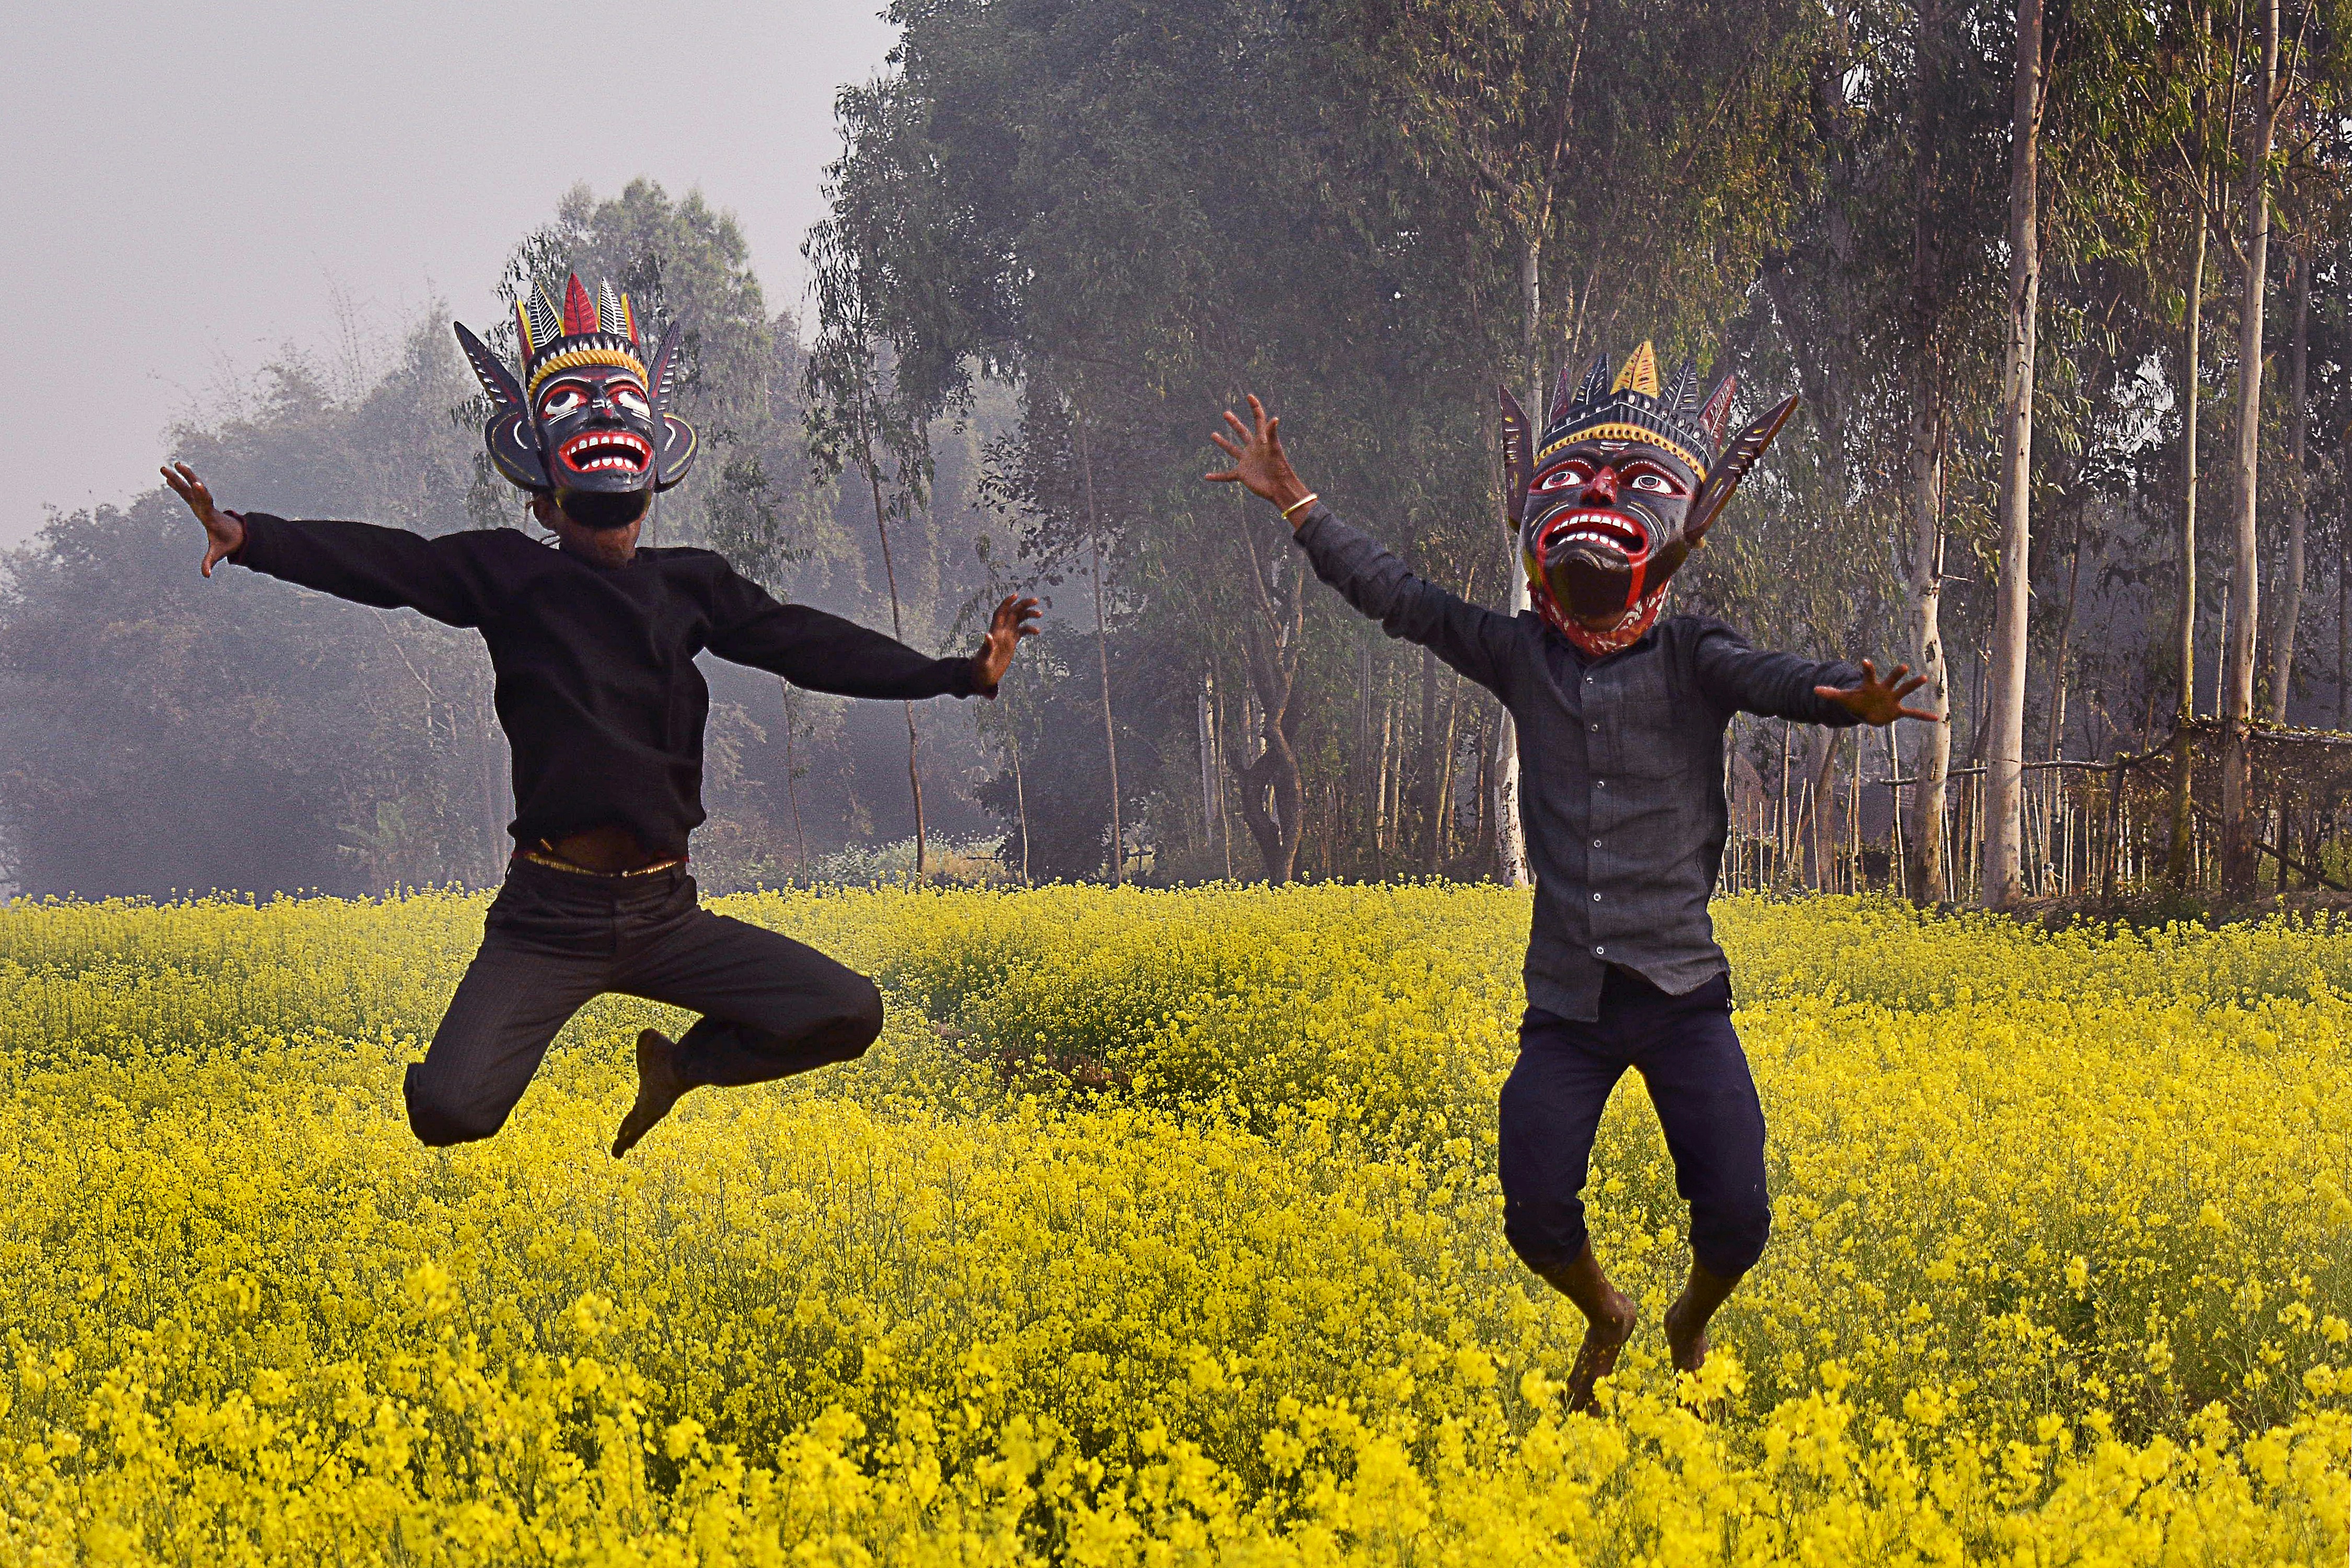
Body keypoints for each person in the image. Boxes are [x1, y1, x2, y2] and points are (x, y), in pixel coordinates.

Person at [1207, 345, 1936, 1409]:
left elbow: (1776, 678)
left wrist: (1844, 698)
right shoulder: (1517, 656)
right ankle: (1609, 1312)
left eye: (1634, 484)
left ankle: (1690, 1314)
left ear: (1691, 520)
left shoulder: (1694, 656)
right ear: (1526, 513)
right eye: (1568, 480)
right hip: (1571, 1006)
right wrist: (1298, 505)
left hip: (1684, 998)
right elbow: (1398, 598)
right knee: (1533, 1207)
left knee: (1738, 1216)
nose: (1596, 499)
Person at [163, 274, 1039, 1157]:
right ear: (545, 503)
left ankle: (682, 1069)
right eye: (590, 504)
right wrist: (252, 537)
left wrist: (959, 674)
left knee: (848, 1011)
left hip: (665, 914)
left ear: (654, 489)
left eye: (632, 501)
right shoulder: (510, 575)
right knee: (451, 1113)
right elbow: (392, 565)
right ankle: (457, 1060)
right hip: (549, 918)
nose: (618, 520)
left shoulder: (690, 585)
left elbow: (805, 644)